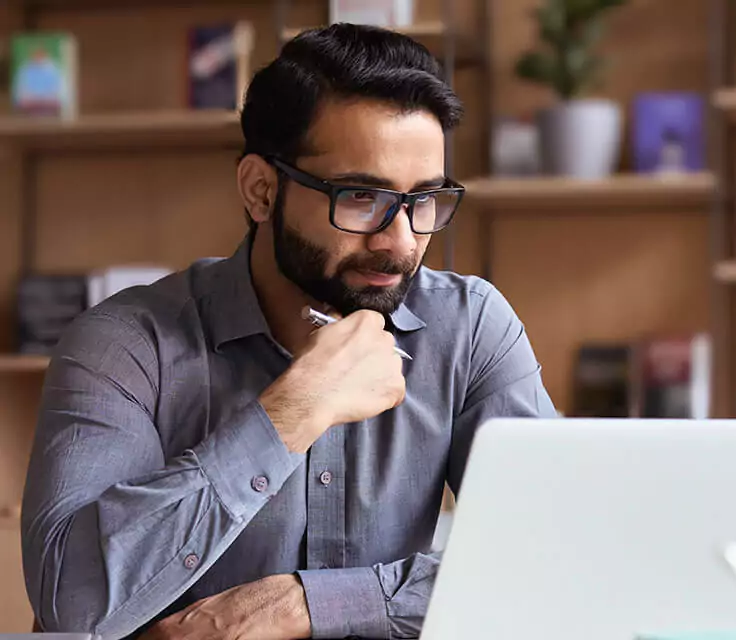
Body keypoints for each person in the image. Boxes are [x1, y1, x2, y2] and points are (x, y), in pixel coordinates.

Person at [20, 24, 556, 640]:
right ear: (260, 190)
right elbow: (74, 607)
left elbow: (556, 555)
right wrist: (290, 413)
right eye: (360, 196)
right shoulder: (124, 345)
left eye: (425, 199)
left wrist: (305, 604)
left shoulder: (469, 327)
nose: (402, 242)